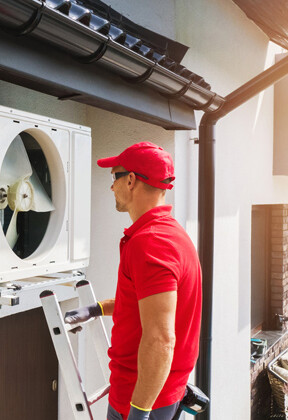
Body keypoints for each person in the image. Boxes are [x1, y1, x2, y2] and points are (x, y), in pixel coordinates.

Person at [64, 142, 202, 420]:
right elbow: (148, 305)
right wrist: (97, 309)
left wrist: (139, 413)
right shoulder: (169, 234)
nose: (111, 187)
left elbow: (161, 339)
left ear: (130, 180)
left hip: (140, 399)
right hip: (156, 393)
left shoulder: (151, 243)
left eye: (114, 177)